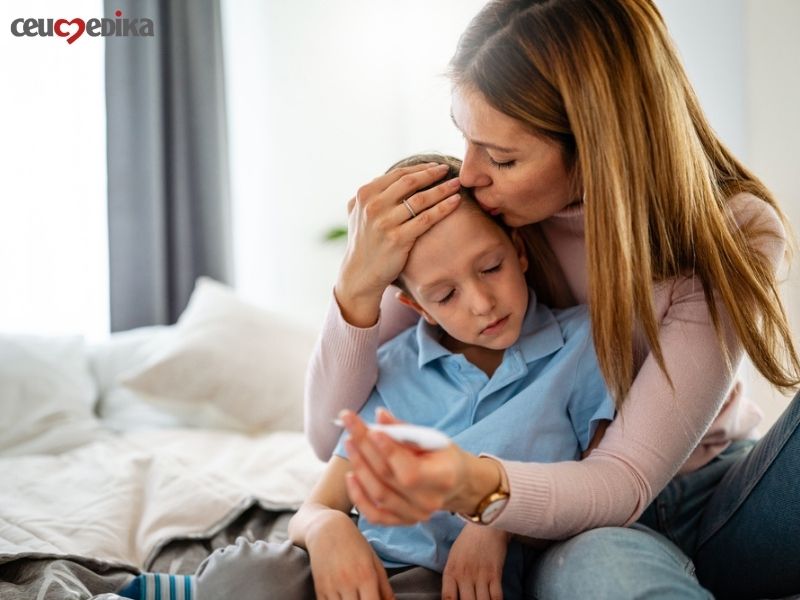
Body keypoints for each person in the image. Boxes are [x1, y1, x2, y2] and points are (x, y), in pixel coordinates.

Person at [305, 1, 800, 599]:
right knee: (609, 574)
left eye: (503, 157)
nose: (469, 174)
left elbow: (624, 477)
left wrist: (484, 497)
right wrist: (355, 290)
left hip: (716, 496)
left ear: (598, 145)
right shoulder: (482, 214)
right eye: (466, 138)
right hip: (581, 525)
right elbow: (326, 436)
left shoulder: (734, 229)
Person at [193, 154, 615, 599]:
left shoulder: (579, 347)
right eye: (445, 295)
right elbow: (318, 504)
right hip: (357, 566)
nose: (481, 303)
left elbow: (594, 494)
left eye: (491, 268)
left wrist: (501, 522)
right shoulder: (394, 367)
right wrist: (328, 527)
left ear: (519, 250)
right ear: (417, 307)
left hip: (442, 582)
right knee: (240, 577)